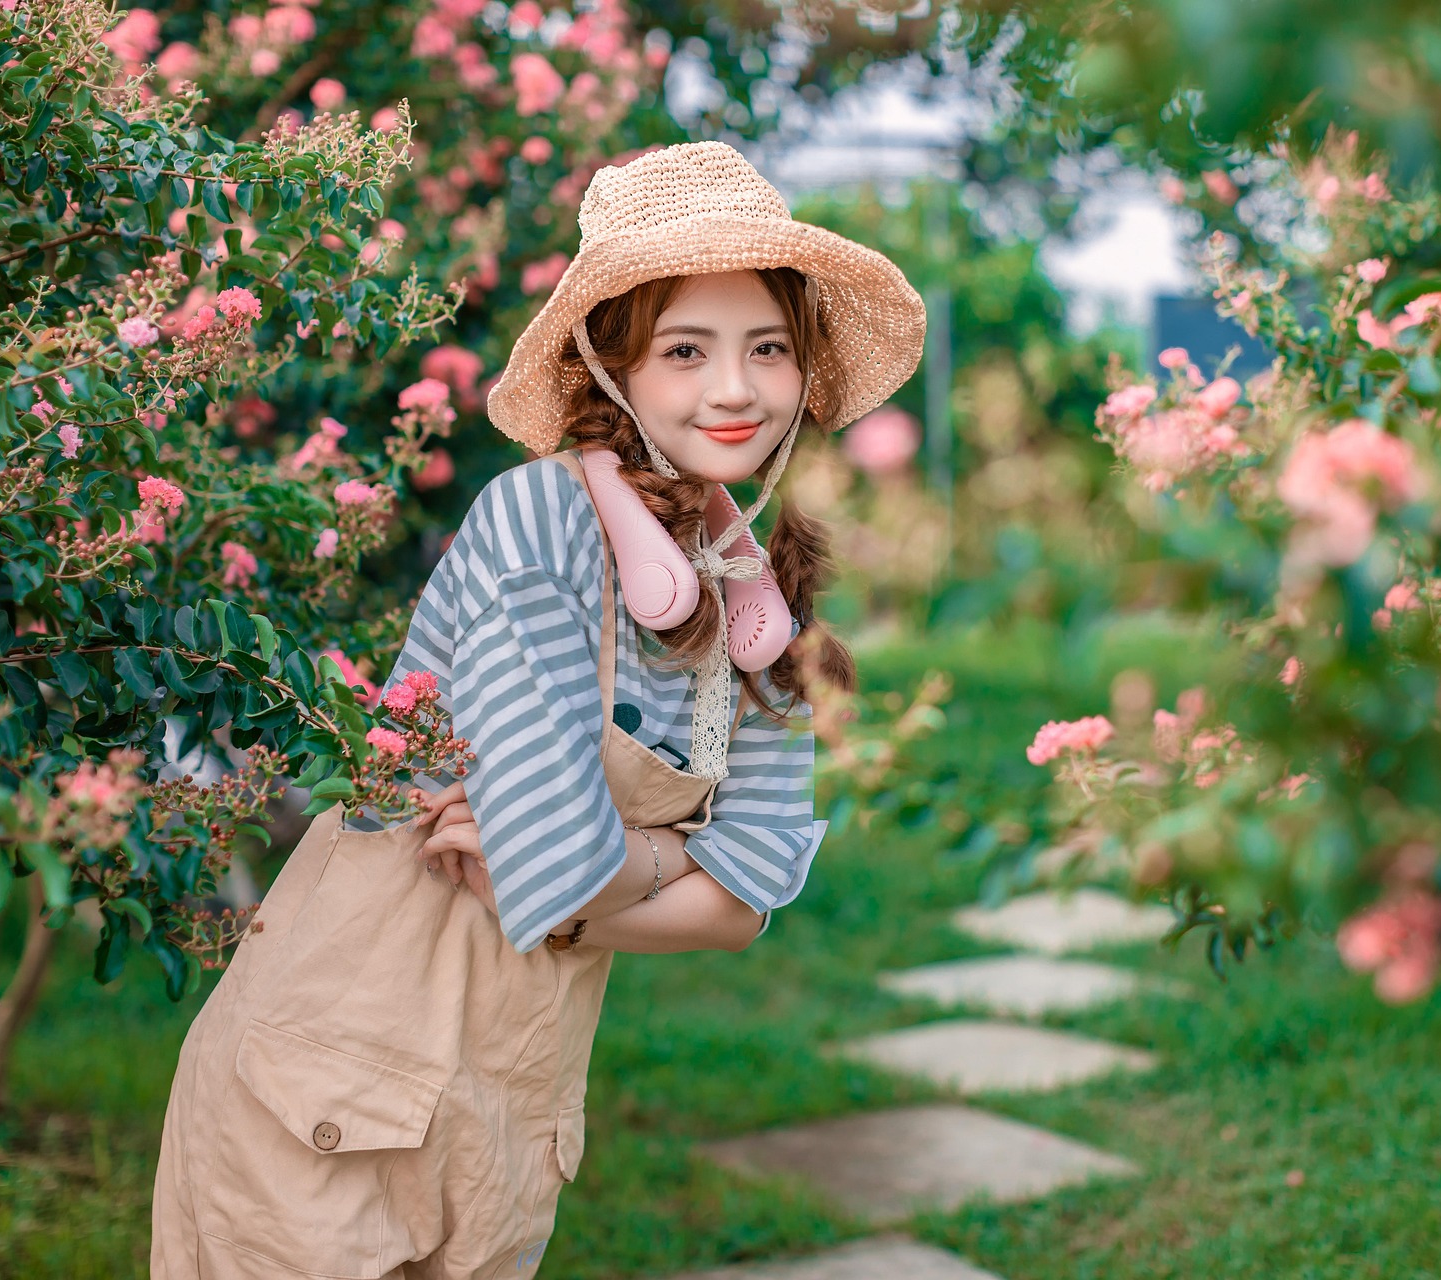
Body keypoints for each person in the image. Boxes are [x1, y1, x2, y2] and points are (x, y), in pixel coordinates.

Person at [150, 140, 926, 1279]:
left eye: (767, 348)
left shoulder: (764, 606)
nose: (735, 388)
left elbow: (742, 902)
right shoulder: (536, 523)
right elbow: (550, 860)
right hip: (324, 1090)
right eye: (685, 349)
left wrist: (618, 868)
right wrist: (662, 868)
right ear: (612, 369)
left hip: (511, 1112)